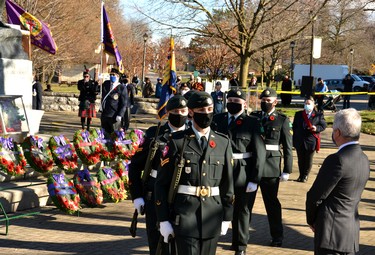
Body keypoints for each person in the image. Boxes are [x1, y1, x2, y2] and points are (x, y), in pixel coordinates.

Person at [155, 91, 234, 255]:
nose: (206, 114)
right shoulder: (177, 141)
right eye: (201, 110)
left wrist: (227, 215)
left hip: (212, 214)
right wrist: (163, 219)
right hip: (185, 215)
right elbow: (161, 184)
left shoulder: (223, 142)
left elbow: (227, 184)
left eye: (210, 109)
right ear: (191, 112)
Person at [129, 95, 188, 255]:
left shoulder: (192, 136)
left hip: (182, 197)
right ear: (168, 113)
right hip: (155, 194)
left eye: (183, 111)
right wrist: (137, 196)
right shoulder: (155, 134)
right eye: (176, 111)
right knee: (157, 243)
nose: (180, 114)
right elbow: (135, 166)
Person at [306, 108, 369, 255]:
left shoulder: (337, 160)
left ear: (338, 133)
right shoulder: (364, 159)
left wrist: (312, 220)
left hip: (331, 234)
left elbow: (315, 196)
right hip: (350, 234)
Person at [212, 89, 265, 255]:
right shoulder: (217, 119)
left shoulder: (252, 122)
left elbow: (260, 153)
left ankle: (240, 245)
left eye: (237, 101)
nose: (233, 103)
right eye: (231, 100)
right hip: (219, 169)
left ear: (244, 103)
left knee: (241, 209)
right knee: (215, 206)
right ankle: (211, 241)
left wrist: (254, 179)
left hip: (242, 170)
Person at [248, 88, 293, 247]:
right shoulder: (254, 117)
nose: (264, 102)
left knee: (272, 204)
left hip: (270, 166)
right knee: (247, 203)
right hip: (253, 165)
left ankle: (277, 236)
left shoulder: (281, 120)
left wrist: (287, 169)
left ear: (275, 101)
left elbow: (288, 146)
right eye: (263, 100)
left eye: (268, 100)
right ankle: (243, 234)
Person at [292, 97, 327, 183]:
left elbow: (323, 126)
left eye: (309, 104)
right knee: (300, 159)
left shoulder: (318, 115)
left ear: (313, 105)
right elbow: (294, 126)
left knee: (308, 159)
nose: (307, 105)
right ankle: (300, 175)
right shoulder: (299, 114)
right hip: (299, 140)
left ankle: (305, 175)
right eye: (305, 104)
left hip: (311, 141)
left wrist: (316, 128)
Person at [100, 68, 129, 134]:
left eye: (114, 75)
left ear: (118, 76)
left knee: (114, 135)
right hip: (105, 114)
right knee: (104, 135)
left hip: (114, 115)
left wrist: (120, 114)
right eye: (111, 75)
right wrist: (97, 81)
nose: (112, 76)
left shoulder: (121, 87)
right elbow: (97, 89)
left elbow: (124, 103)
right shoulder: (106, 84)